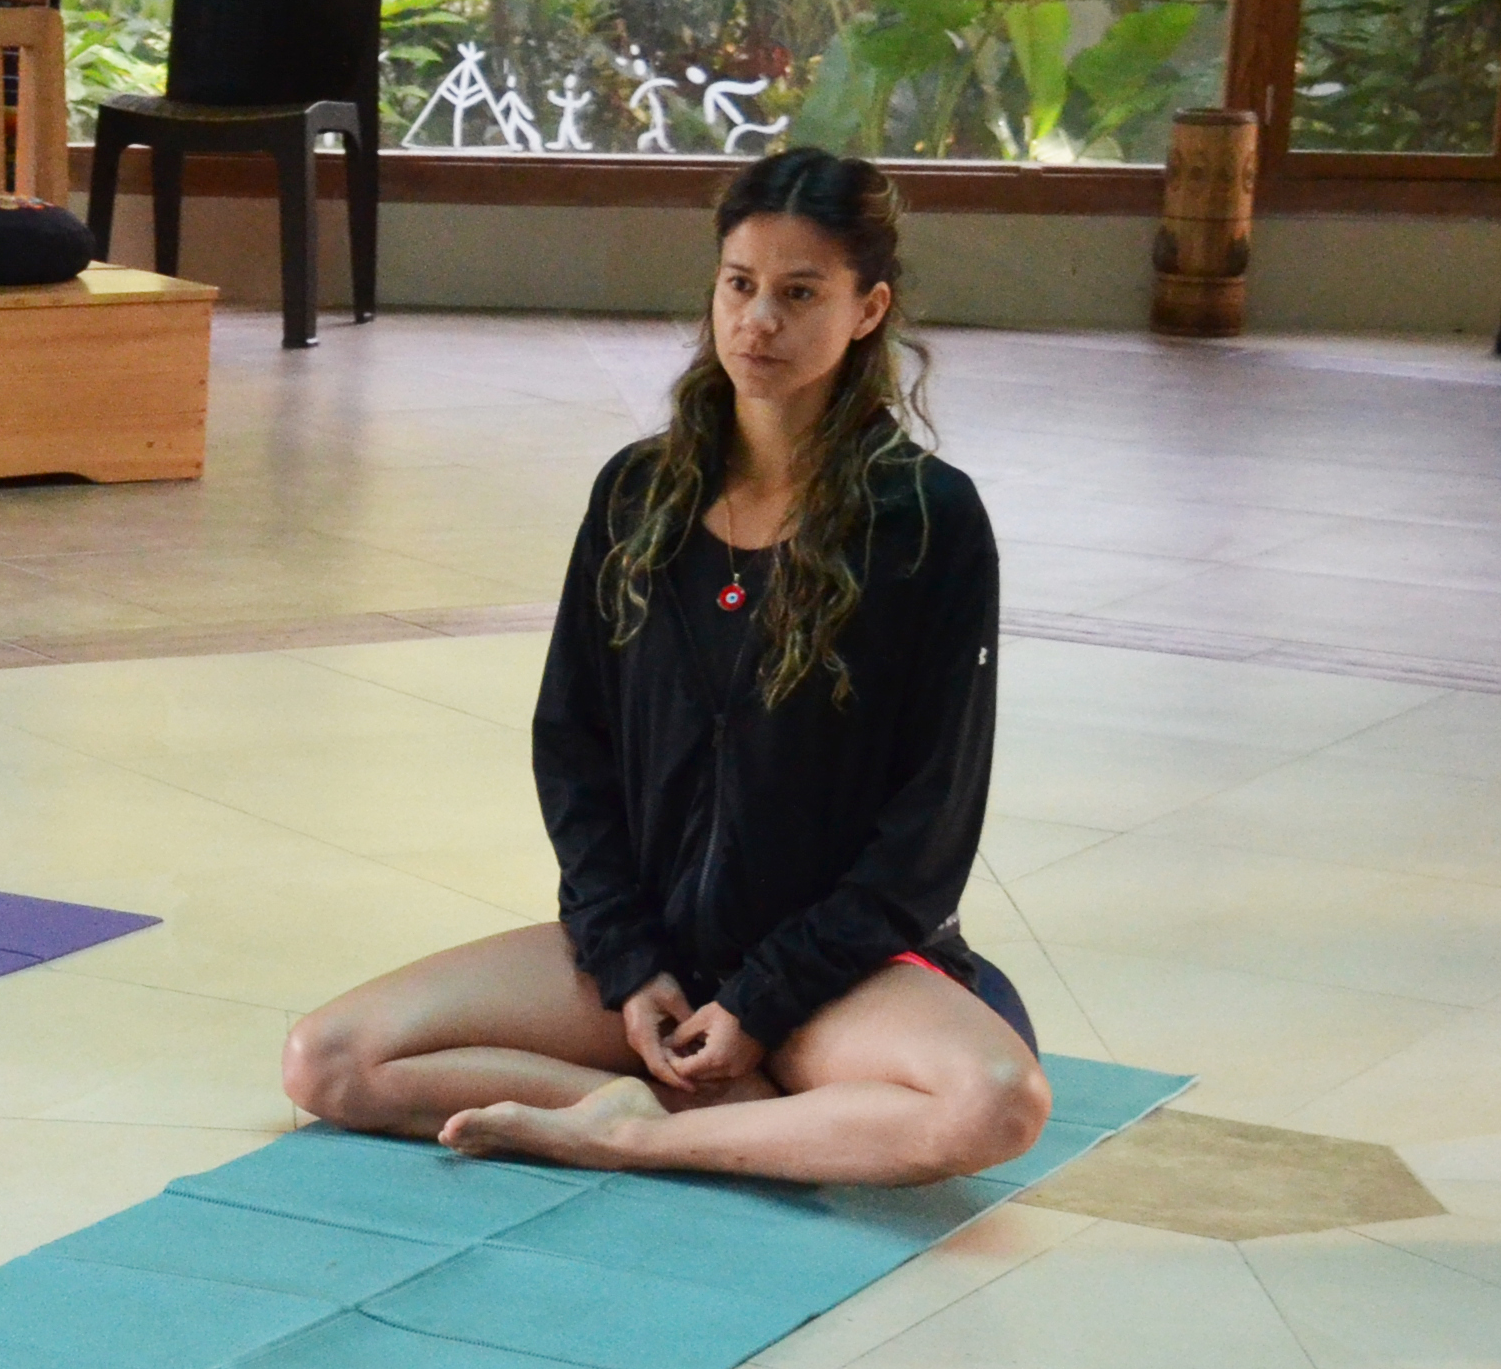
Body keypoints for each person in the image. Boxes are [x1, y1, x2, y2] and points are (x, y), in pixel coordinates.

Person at [277, 148, 1050, 1185]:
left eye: (797, 293)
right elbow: (572, 747)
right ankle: (698, 1115)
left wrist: (764, 1000)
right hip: (652, 956)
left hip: (833, 977)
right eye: (737, 286)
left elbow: (928, 829)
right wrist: (626, 960)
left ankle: (637, 1136)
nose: (756, 322)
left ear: (867, 311)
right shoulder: (637, 494)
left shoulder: (925, 521)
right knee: (325, 1063)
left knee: (993, 1104)